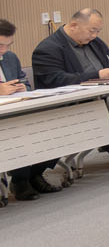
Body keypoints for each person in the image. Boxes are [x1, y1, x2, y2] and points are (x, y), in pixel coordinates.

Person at [1, 18, 63, 201]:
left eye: (8, 45)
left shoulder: (10, 58)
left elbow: (25, 82)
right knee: (18, 134)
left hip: (17, 110)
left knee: (55, 128)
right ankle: (20, 180)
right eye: (0, 45)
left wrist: (22, 87)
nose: (4, 50)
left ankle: (34, 173)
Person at [32, 8, 109, 87]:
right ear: (73, 26)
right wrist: (97, 75)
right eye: (91, 31)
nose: (94, 35)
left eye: (98, 31)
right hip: (73, 98)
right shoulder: (47, 49)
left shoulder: (96, 43)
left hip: (106, 93)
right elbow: (56, 80)